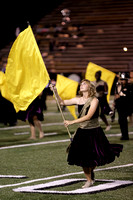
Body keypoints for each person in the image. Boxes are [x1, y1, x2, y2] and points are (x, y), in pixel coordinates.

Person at [50, 79, 123, 188]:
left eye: (84, 84)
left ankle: (91, 171)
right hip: (82, 132)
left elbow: (88, 116)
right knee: (83, 158)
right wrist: (55, 91)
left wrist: (72, 122)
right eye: (81, 84)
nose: (81, 85)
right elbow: (61, 102)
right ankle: (88, 180)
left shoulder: (94, 100)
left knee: (94, 158)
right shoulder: (78, 100)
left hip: (94, 132)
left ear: (90, 87)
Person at [114, 73, 132, 140]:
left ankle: (125, 136)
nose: (122, 81)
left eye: (124, 80)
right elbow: (116, 95)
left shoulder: (130, 87)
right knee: (121, 121)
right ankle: (124, 135)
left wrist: (122, 95)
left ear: (127, 80)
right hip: (120, 106)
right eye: (121, 79)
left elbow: (130, 97)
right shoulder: (118, 86)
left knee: (124, 121)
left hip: (126, 106)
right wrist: (115, 103)